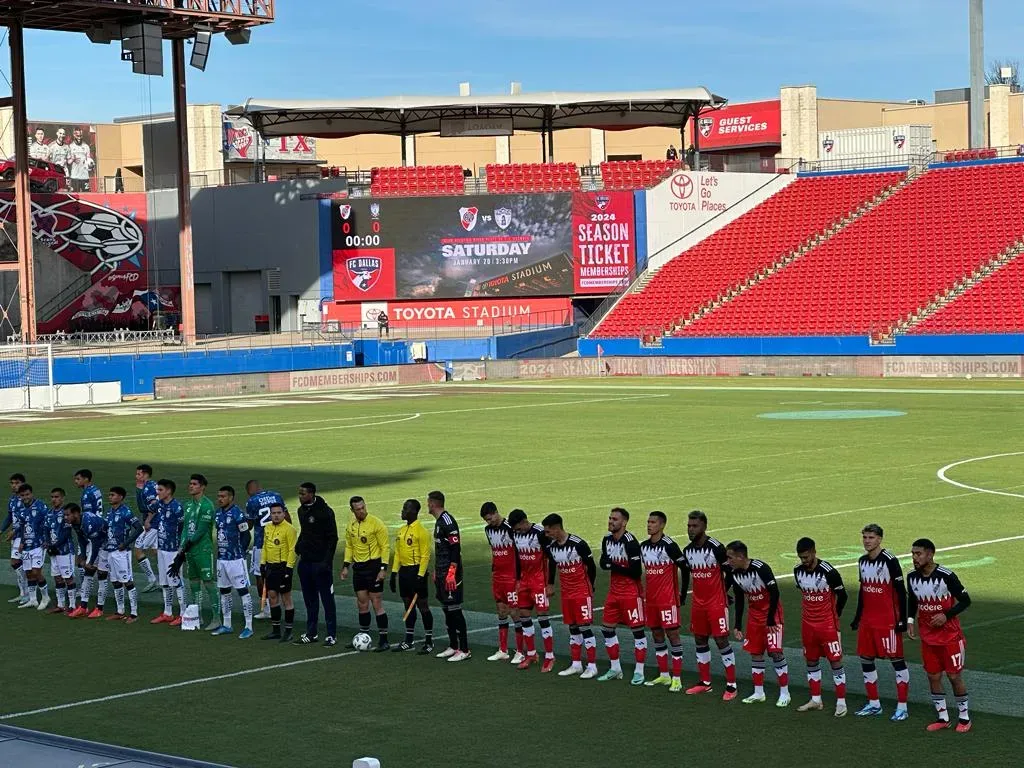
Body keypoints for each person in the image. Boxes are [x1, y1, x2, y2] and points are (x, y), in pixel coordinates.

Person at [907, 539, 972, 732]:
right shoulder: (912, 577)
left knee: (954, 677)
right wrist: (910, 620)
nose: (914, 558)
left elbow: (965, 600)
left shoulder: (947, 576)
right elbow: (912, 600)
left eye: (918, 554)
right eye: (913, 554)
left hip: (950, 637)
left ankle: (964, 718)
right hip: (928, 638)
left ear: (930, 554)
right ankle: (943, 718)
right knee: (933, 676)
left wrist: (946, 615)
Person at [850, 523, 909, 720]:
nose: (867, 541)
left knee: (896, 661)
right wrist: (858, 616)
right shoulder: (861, 561)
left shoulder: (890, 560)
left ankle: (902, 707)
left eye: (871, 538)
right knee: (865, 659)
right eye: (865, 537)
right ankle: (874, 703)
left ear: (880, 539)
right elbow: (863, 590)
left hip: (887, 621)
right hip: (868, 621)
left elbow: (901, 591)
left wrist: (902, 620)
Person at [680, 510, 738, 699]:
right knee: (700, 639)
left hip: (716, 604)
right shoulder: (688, 550)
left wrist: (724, 592)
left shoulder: (716, 548)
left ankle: (731, 685)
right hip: (698, 604)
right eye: (689, 525)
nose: (690, 529)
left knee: (721, 641)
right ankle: (705, 682)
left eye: (694, 526)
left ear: (704, 526)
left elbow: (730, 571)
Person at [727, 540, 790, 707]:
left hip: (772, 614)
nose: (728, 561)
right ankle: (758, 692)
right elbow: (740, 599)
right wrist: (738, 625)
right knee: (756, 653)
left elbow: (775, 592)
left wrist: (771, 619)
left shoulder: (761, 568)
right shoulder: (734, 573)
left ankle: (785, 693)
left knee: (775, 653)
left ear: (741, 557)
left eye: (731, 557)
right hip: (754, 617)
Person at [794, 537, 848, 716]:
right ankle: (816, 699)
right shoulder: (797, 571)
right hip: (808, 625)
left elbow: (843, 595)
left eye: (807, 557)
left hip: (827, 625)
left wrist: (835, 616)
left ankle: (841, 702)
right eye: (801, 558)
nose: (804, 561)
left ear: (814, 552)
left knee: (835, 660)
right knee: (811, 660)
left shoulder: (829, 571)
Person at [542, 513, 598, 679]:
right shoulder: (552, 547)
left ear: (557, 528)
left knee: (585, 627)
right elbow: (552, 565)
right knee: (573, 628)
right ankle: (576, 664)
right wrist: (550, 584)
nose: (547, 535)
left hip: (581, 591)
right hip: (566, 593)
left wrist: (590, 586)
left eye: (548, 531)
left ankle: (592, 666)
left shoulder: (578, 544)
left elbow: (591, 566)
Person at [598, 507, 646, 684]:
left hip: (631, 593)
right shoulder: (607, 539)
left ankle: (639, 671)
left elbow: (635, 572)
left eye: (615, 519)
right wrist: (613, 565)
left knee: (638, 632)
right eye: (610, 518)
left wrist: (613, 565)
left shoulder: (630, 542)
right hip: (614, 592)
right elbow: (603, 562)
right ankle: (615, 668)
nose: (611, 522)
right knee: (607, 629)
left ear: (624, 523)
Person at [639, 511, 687, 691]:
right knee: (656, 634)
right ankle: (664, 675)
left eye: (652, 522)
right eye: (648, 521)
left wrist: (681, 594)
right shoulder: (643, 546)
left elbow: (685, 568)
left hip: (667, 600)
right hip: (651, 600)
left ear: (662, 525)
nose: (649, 525)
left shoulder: (670, 546)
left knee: (673, 635)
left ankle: (677, 678)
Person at [341, 495, 391, 650]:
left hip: (374, 566)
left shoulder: (376, 523)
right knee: (362, 604)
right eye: (358, 509)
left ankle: (384, 640)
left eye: (363, 508)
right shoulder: (351, 525)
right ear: (352, 510)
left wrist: (383, 569)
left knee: (376, 603)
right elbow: (349, 546)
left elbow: (385, 547)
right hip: (359, 568)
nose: (361, 511)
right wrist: (345, 566)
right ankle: (364, 636)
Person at [171, 474, 219, 631]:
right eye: (190, 483)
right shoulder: (188, 505)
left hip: (203, 550)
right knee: (193, 583)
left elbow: (201, 531)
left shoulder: (207, 506)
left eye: (194, 484)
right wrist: (181, 549)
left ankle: (216, 618)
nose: (190, 486)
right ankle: (198, 616)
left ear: (202, 487)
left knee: (208, 583)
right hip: (190, 551)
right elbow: (186, 528)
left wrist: (185, 547)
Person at [509, 508, 555, 672]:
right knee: (524, 617)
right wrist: (518, 579)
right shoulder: (516, 534)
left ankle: (549, 656)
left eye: (519, 528)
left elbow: (552, 558)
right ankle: (531, 654)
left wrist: (550, 583)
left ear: (524, 521)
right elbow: (517, 558)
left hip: (539, 582)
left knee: (543, 618)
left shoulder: (541, 533)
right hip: (525, 582)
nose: (518, 532)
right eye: (516, 530)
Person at [294, 482, 338, 646]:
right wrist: (298, 547)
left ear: (312, 494)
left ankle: (331, 634)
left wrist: (327, 562)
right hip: (306, 562)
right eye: (299, 494)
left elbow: (333, 538)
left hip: (321, 563)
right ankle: (311, 632)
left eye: (303, 494)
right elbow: (305, 531)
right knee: (310, 600)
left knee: (327, 600)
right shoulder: (301, 511)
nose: (300, 497)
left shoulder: (325, 512)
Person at [428, 490, 469, 662]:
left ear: (433, 503)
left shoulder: (447, 521)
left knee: (454, 609)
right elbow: (441, 550)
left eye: (428, 502)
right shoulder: (439, 522)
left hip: (451, 574)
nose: (427, 506)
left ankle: (464, 649)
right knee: (446, 609)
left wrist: (451, 573)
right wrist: (438, 570)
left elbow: (455, 549)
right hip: (442, 572)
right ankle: (453, 645)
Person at [389, 498, 434, 653]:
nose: (402, 511)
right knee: (408, 606)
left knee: (423, 606)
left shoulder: (421, 531)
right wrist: (394, 572)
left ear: (414, 512)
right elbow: (398, 554)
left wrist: (421, 576)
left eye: (405, 508)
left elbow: (425, 556)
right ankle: (409, 640)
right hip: (404, 573)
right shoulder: (401, 530)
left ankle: (429, 641)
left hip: (416, 572)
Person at [210, 486, 254, 639]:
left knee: (243, 591)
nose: (220, 499)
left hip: (235, 560)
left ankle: (249, 626)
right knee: (224, 591)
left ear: (231, 497)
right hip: (222, 559)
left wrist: (240, 553)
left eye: (223, 496)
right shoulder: (218, 513)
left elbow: (246, 536)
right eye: (218, 496)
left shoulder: (238, 513)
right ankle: (227, 624)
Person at [480, 501, 518, 663]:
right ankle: (503, 649)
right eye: (486, 520)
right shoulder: (488, 530)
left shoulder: (511, 527)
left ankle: (520, 650)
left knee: (515, 613)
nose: (489, 522)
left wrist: (519, 577)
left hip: (511, 576)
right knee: (501, 610)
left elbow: (518, 551)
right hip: (498, 576)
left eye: (490, 519)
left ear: (496, 512)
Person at [244, 480, 286, 620]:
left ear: (249, 491)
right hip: (279, 542)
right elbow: (287, 518)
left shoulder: (252, 501)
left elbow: (249, 526)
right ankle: (283, 604)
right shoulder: (276, 496)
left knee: (260, 575)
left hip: (261, 543)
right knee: (280, 573)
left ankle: (267, 608)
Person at [102, 486, 143, 623]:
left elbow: (139, 528)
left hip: (122, 553)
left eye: (113, 495)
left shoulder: (126, 512)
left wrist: (126, 543)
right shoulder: (109, 513)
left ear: (120, 497)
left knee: (127, 581)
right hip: (110, 551)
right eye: (109, 494)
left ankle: (134, 613)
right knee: (115, 581)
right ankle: (120, 611)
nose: (110, 497)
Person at [150, 479, 185, 625]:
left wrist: (181, 550)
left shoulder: (177, 507)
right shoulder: (159, 505)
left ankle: (183, 613)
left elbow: (183, 529)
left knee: (176, 580)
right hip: (162, 548)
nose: (157, 493)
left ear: (169, 491)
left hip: (173, 550)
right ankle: (168, 612)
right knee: (164, 581)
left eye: (160, 490)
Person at [261, 503, 297, 642]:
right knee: (272, 596)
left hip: (283, 567)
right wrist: (262, 564)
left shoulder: (290, 529)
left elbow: (292, 550)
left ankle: (288, 631)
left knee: (286, 599)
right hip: (270, 567)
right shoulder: (268, 527)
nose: (276, 515)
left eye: (278, 513)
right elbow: (265, 546)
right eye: (273, 513)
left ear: (283, 513)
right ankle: (276, 630)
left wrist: (289, 568)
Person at [65, 502, 106, 617]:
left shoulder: (88, 523)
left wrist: (90, 561)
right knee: (88, 574)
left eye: (68, 515)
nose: (66, 517)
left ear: (76, 514)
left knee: (102, 575)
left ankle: (100, 608)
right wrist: (82, 557)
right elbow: (81, 539)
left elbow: (96, 543)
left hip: (106, 546)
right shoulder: (76, 523)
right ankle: (83, 607)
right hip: (96, 543)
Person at [16, 484, 50, 610]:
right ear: (20, 496)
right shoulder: (21, 510)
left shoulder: (40, 506)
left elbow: (49, 522)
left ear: (32, 494)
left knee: (36, 572)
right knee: (29, 573)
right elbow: (23, 527)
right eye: (23, 495)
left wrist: (47, 539)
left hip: (39, 545)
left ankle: (45, 598)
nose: (25, 497)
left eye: (27, 494)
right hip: (27, 546)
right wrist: (22, 542)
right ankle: (33, 599)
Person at [42, 488, 74, 614]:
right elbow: (46, 529)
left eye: (56, 497)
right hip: (54, 551)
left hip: (65, 551)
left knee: (68, 578)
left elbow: (66, 533)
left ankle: (71, 606)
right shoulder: (49, 513)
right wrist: (47, 542)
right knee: (57, 578)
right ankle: (60, 605)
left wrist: (54, 545)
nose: (54, 499)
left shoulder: (66, 513)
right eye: (52, 497)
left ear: (62, 498)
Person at [132, 464, 160, 593]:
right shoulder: (151, 485)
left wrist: (148, 521)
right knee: (157, 552)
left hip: (153, 523)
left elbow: (154, 505)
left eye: (138, 474)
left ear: (145, 474)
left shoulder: (148, 487)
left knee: (138, 550)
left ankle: (152, 580)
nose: (136, 476)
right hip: (157, 522)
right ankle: (166, 580)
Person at [3, 473, 28, 604]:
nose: (14, 486)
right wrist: (1, 529)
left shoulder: (26, 500)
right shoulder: (13, 499)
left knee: (16, 562)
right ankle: (23, 593)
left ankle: (27, 593)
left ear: (23, 484)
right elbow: (9, 517)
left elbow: (27, 520)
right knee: (18, 564)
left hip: (24, 535)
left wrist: (15, 531)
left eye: (17, 483)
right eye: (12, 483)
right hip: (16, 535)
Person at [67, 127, 94, 192]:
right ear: (74, 135)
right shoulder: (70, 146)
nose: (79, 137)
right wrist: (73, 159)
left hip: (85, 177)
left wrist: (91, 165)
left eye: (80, 135)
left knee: (86, 195)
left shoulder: (86, 146)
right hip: (74, 177)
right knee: (75, 196)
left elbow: (89, 160)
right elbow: (68, 162)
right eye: (77, 135)